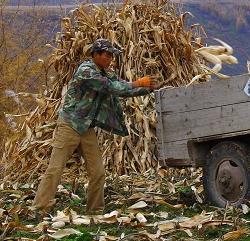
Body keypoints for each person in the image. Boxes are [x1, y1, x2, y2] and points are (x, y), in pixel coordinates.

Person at [33, 38, 159, 215]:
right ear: (96, 55)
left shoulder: (106, 72)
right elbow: (111, 87)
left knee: (98, 171)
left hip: (86, 128)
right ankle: (40, 208)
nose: (110, 59)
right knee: (55, 168)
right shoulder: (86, 71)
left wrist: (148, 89)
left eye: (111, 56)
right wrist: (139, 83)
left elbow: (123, 90)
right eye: (107, 55)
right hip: (70, 124)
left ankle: (95, 211)